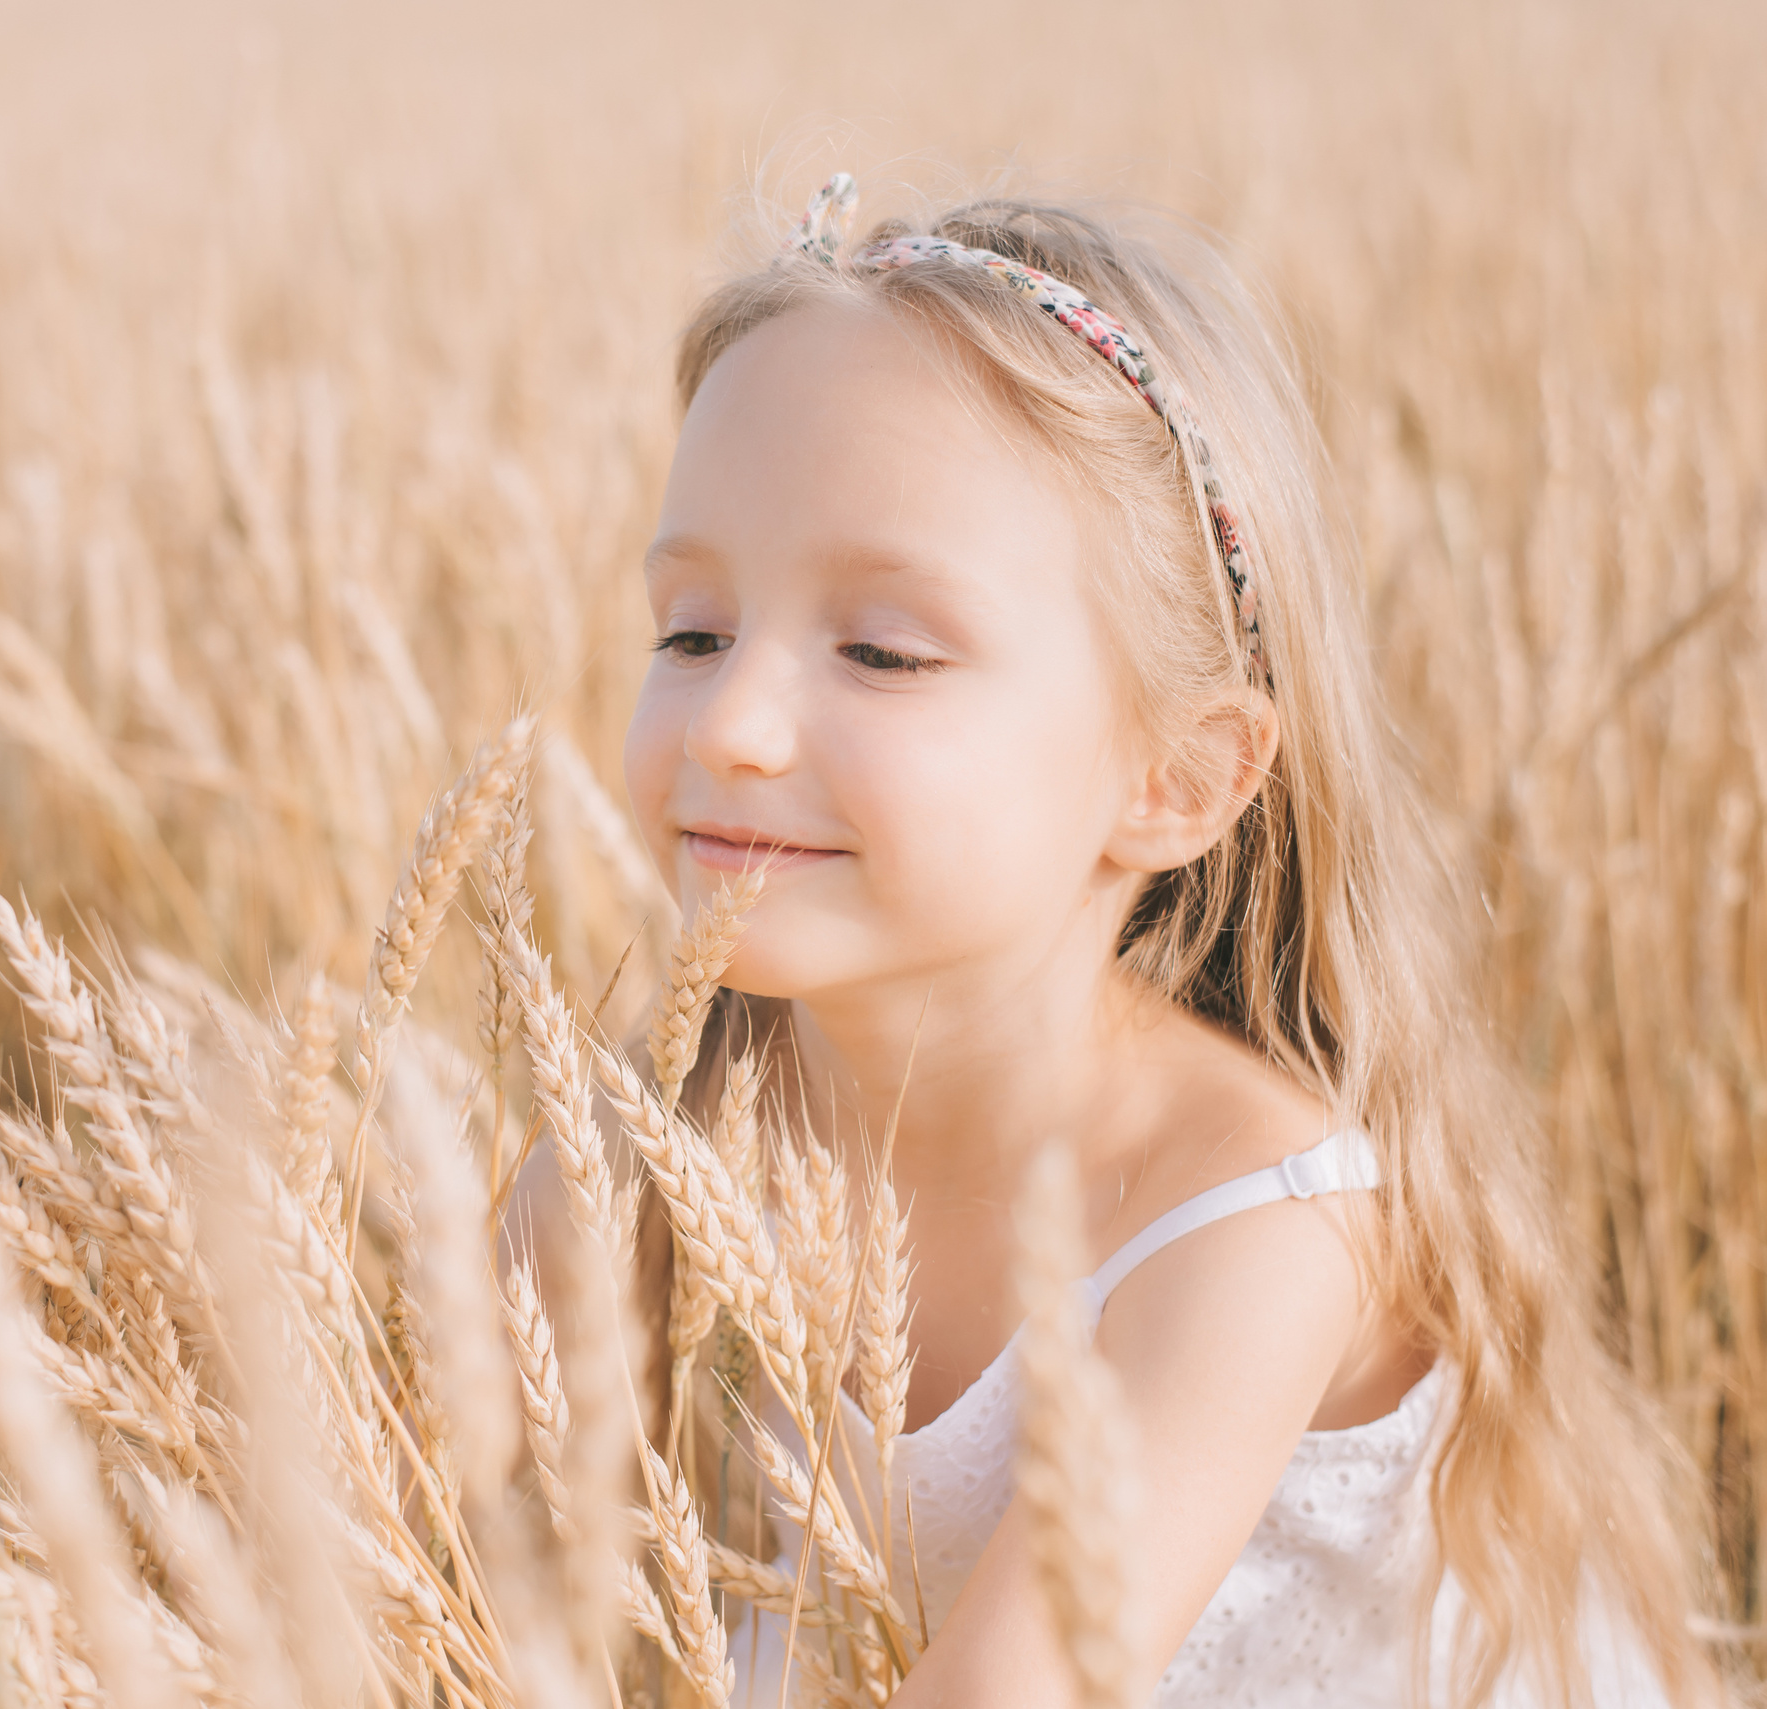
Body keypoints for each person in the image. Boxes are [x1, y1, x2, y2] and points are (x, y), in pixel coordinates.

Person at [621, 174, 1719, 1706]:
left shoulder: (1257, 1223)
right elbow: (442, 1541)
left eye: (882, 651)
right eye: (692, 629)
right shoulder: (666, 1124)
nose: (730, 723)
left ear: (1175, 780)